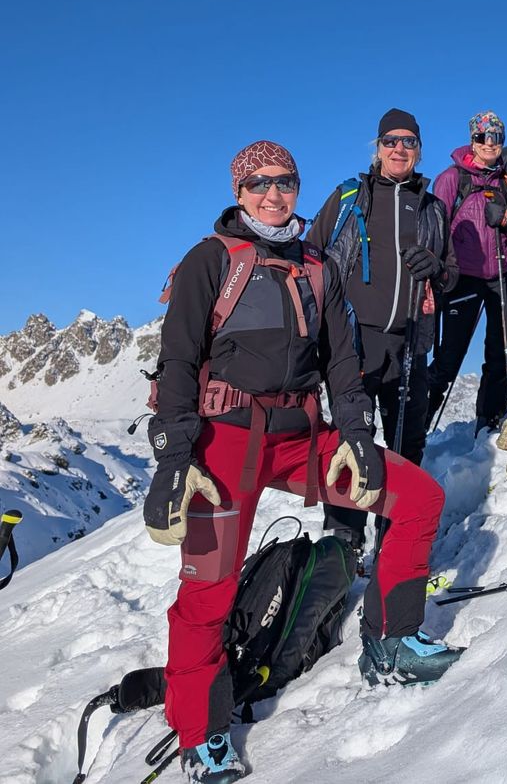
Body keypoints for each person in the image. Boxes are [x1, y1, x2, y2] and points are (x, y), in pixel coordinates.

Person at [145, 140, 461, 782]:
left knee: (418, 498)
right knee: (208, 588)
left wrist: (357, 434)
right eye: (259, 183)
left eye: (285, 181)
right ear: (238, 192)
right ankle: (199, 732)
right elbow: (177, 360)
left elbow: (342, 359)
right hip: (224, 443)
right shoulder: (210, 260)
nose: (273, 194)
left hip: (303, 436)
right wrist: (173, 459)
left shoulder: (318, 266)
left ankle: (392, 640)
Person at [306, 108, 457, 554]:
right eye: (391, 141)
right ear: (378, 148)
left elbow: (451, 274)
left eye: (409, 142)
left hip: (411, 342)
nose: (399, 149)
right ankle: (343, 544)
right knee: (351, 441)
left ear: (419, 151)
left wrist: (437, 270)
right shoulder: (350, 197)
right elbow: (312, 258)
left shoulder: (432, 208)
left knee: (407, 445)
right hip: (355, 342)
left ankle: (394, 542)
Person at [425, 111, 507, 434]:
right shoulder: (452, 179)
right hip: (463, 276)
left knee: (499, 354)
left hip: (503, 273)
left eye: (496, 138)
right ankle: (419, 425)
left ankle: (489, 423)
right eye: (483, 137)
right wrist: (438, 273)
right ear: (473, 140)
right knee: (449, 357)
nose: (489, 143)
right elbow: (435, 227)